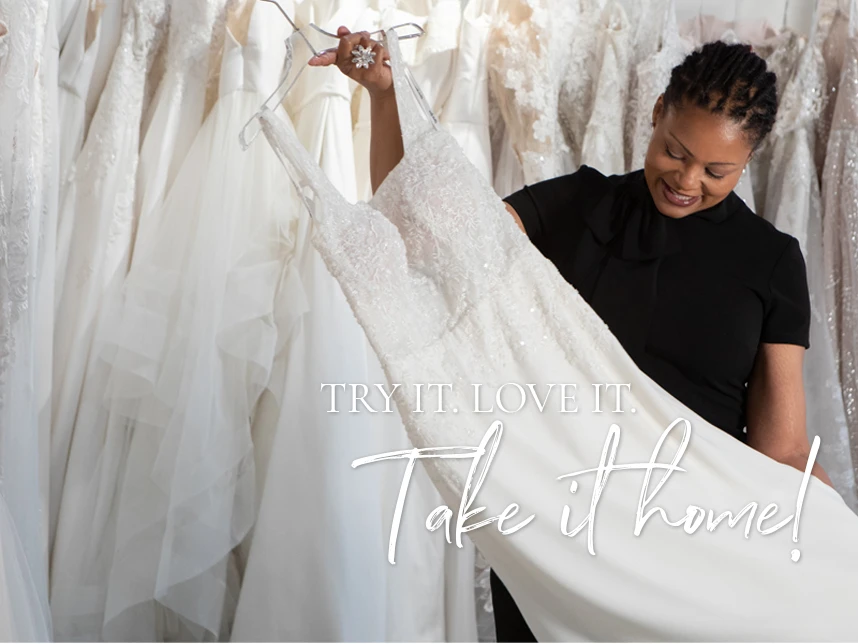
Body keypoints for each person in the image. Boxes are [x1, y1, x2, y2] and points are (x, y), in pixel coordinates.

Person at [312, 30, 833, 642]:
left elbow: (782, 447)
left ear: (750, 160)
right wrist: (384, 96)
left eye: (717, 170)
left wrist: (829, 541)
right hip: (558, 528)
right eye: (675, 151)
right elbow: (426, 237)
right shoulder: (578, 204)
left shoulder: (772, 261)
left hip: (694, 543)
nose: (688, 180)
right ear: (658, 110)